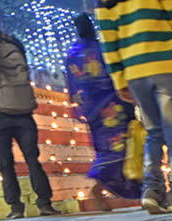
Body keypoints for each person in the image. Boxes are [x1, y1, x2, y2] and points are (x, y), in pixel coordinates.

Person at [97, 0, 172, 213]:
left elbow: (108, 40)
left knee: (153, 132)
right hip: (164, 65)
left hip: (135, 73)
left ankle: (152, 189)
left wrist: (119, 79)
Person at [0, 3, 58, 220]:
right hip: (23, 110)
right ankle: (45, 203)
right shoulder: (14, 42)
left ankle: (16, 208)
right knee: (33, 159)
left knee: (5, 164)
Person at [64, 13, 143, 209]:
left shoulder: (72, 54)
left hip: (93, 111)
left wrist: (82, 109)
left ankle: (106, 190)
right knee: (123, 148)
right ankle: (100, 188)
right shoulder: (102, 49)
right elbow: (116, 74)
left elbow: (74, 88)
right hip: (113, 105)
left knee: (107, 149)